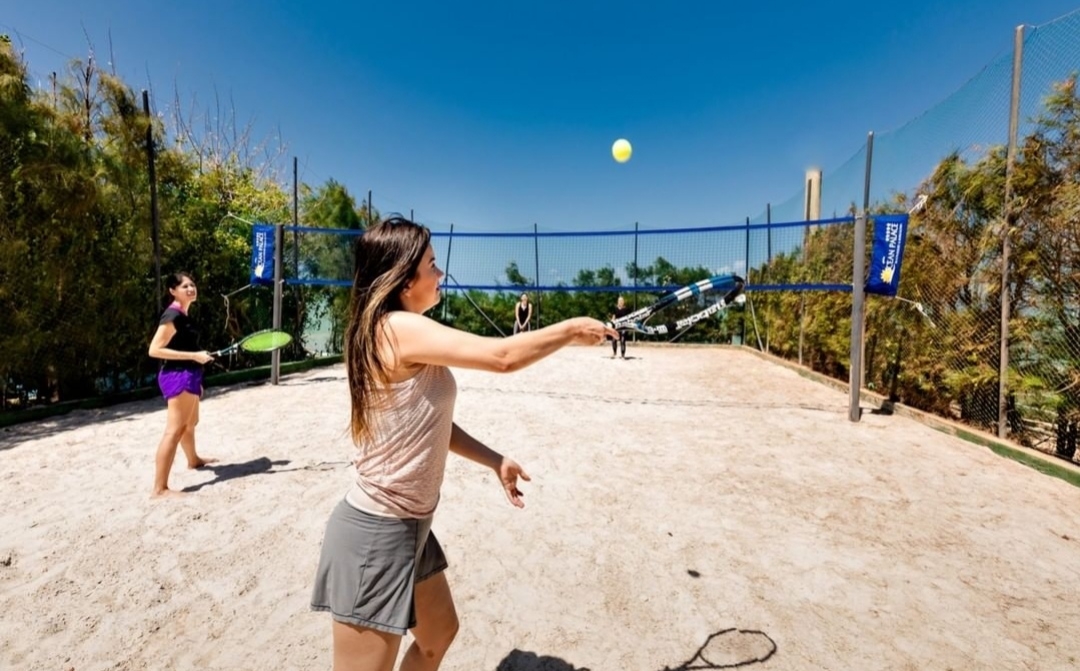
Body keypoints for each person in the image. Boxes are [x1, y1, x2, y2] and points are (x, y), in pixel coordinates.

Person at [310, 216, 616, 671]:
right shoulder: (395, 327)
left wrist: (495, 460)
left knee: (438, 636)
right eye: (432, 265)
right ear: (404, 278)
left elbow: (429, 420)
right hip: (376, 533)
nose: (440, 274)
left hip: (411, 527)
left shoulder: (406, 331)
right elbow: (502, 356)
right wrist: (569, 330)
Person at [147, 272, 217, 498]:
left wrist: (198, 359)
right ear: (172, 291)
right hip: (178, 375)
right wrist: (194, 356)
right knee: (174, 430)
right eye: (185, 286)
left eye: (192, 285)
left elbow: (187, 348)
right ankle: (160, 489)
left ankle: (193, 460)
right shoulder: (172, 315)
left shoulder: (184, 315)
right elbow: (155, 350)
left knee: (191, 422)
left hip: (190, 373)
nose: (190, 288)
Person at [610, 295, 632, 359]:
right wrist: (612, 322)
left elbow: (630, 318)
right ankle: (614, 353)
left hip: (624, 326)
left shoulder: (626, 309)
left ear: (623, 302)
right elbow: (613, 317)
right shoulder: (615, 309)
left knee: (622, 340)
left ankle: (623, 355)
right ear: (617, 302)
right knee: (614, 339)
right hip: (616, 326)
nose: (621, 302)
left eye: (622, 300)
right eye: (619, 301)